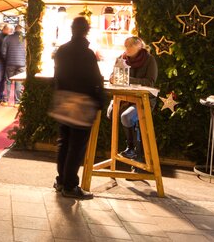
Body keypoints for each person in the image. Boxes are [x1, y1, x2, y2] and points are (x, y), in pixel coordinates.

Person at [53, 16, 104, 200]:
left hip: (64, 100)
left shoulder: (62, 50)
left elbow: (57, 76)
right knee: (77, 145)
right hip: (82, 102)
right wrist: (100, 100)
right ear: (86, 30)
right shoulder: (87, 53)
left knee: (64, 142)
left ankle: (61, 181)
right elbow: (95, 79)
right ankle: (70, 185)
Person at [114, 36, 158, 159]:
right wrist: (113, 78)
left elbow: (150, 82)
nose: (126, 48)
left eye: (129, 45)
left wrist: (127, 80)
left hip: (144, 100)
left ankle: (133, 150)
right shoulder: (121, 58)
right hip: (125, 98)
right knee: (112, 112)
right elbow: (115, 76)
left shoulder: (149, 60)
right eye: (125, 45)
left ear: (138, 46)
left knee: (127, 116)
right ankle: (132, 151)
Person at [1, 22, 27, 105]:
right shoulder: (25, 39)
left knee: (8, 81)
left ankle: (5, 100)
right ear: (21, 30)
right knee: (18, 82)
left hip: (10, 63)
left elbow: (3, 51)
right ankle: (17, 102)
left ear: (14, 30)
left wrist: (7, 59)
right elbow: (27, 51)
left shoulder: (8, 38)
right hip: (22, 64)